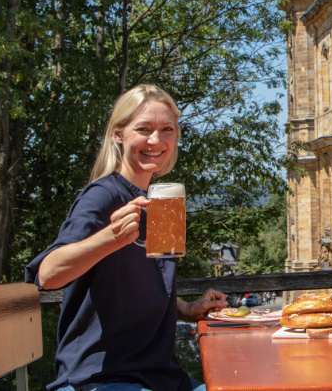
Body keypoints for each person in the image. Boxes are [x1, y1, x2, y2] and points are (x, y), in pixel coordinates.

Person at [25, 84, 226, 391]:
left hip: (159, 377)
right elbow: (48, 275)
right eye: (143, 129)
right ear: (118, 134)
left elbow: (140, 287)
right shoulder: (102, 195)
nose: (156, 140)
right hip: (100, 380)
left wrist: (186, 310)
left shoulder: (158, 200)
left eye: (166, 130)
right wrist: (110, 238)